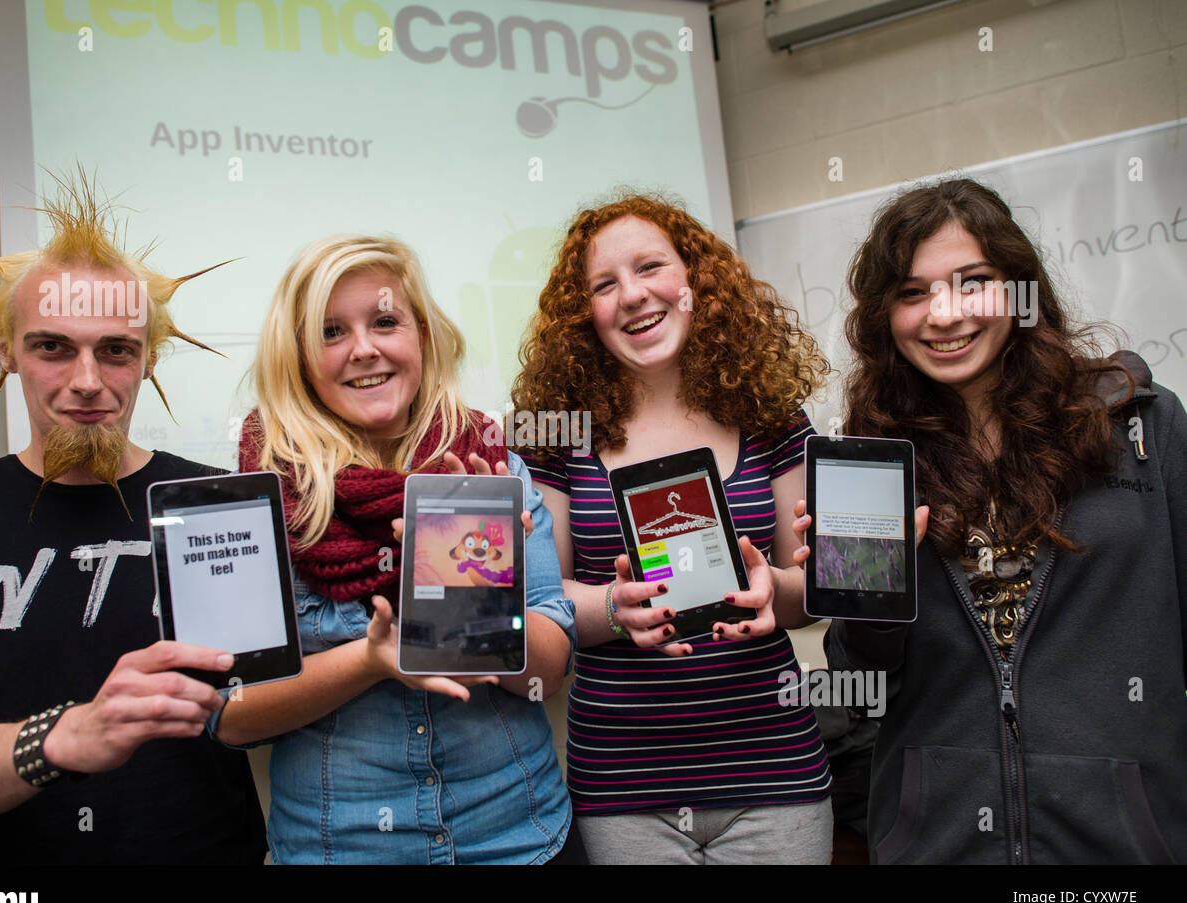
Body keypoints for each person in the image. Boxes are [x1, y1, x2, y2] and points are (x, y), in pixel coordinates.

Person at [0, 177, 266, 864]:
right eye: (53, 346)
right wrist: (68, 735)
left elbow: (263, 707)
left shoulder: (220, 504)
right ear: (7, 352)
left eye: (116, 349)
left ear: (148, 358)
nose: (88, 378)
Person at [820, 177, 1186, 863]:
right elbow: (858, 690)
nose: (943, 313)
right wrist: (867, 595)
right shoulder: (867, 464)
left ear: (1020, 289)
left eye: (972, 282)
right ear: (884, 316)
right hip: (943, 840)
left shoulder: (1141, 426)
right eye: (911, 292)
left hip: (1119, 845)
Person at [212, 235, 580, 864]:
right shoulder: (258, 502)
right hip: (341, 849)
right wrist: (371, 660)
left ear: (422, 339)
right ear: (300, 361)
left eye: (385, 321)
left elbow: (549, 673)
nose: (364, 348)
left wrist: (474, 596)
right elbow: (235, 716)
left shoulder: (493, 470)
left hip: (519, 840)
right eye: (331, 332)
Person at [510, 193, 835, 864]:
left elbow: (816, 586)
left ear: (695, 281)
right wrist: (612, 607)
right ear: (583, 315)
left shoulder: (771, 416)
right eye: (604, 284)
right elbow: (540, 601)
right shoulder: (553, 434)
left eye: (650, 266)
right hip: (624, 785)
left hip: (774, 772)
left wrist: (776, 587)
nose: (631, 295)